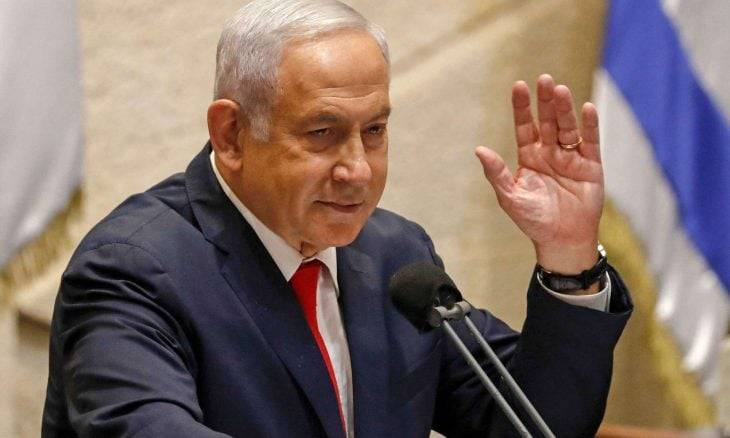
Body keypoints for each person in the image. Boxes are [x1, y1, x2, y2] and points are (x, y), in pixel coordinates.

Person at [42, 1, 632, 437]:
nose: (358, 170)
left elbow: (530, 422)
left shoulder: (395, 256)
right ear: (232, 134)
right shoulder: (132, 271)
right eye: (322, 133)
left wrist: (568, 256)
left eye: (374, 131)